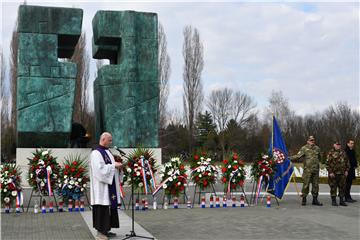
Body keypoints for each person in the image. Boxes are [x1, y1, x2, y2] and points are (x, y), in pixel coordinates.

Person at [90, 132, 123, 240]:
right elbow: (99, 170)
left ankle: (106, 230)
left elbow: (110, 166)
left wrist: (118, 167)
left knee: (108, 208)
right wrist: (114, 166)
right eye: (109, 140)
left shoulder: (107, 152)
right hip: (101, 187)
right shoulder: (96, 153)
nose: (111, 142)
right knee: (101, 208)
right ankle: (100, 232)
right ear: (103, 139)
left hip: (109, 187)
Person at [289, 136, 323, 206]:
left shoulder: (317, 148)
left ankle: (315, 200)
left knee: (316, 185)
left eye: (313, 140)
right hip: (307, 170)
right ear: (307, 141)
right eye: (310, 140)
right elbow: (298, 156)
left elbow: (320, 158)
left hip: (316, 170)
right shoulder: (304, 148)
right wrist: (289, 158)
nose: (312, 141)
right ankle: (304, 199)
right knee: (306, 185)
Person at [326, 141, 349, 206]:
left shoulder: (343, 152)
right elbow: (327, 164)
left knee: (342, 187)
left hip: (342, 174)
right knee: (333, 187)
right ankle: (334, 201)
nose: (338, 146)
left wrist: (347, 170)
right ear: (334, 145)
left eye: (339, 145)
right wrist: (330, 172)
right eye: (337, 144)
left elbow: (347, 162)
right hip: (334, 174)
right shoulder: (330, 153)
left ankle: (341, 201)